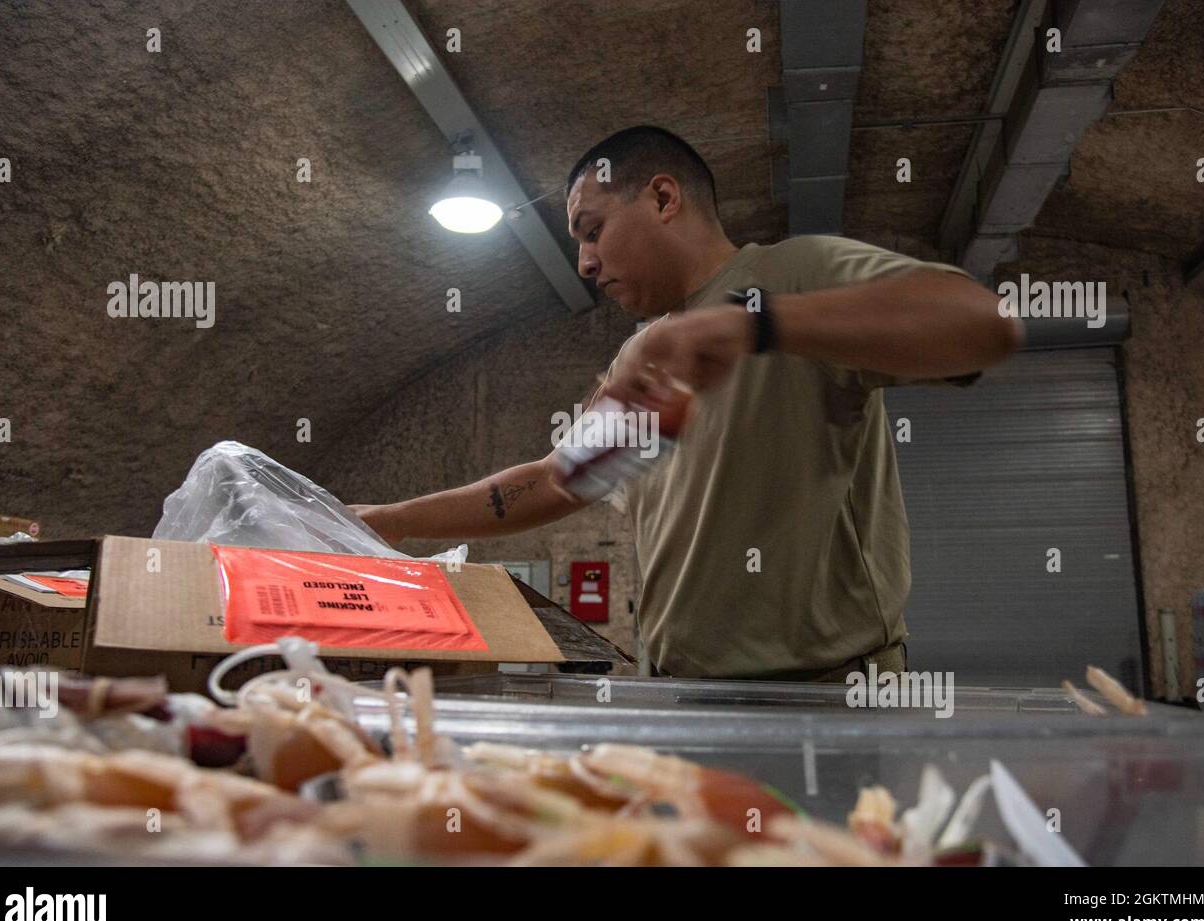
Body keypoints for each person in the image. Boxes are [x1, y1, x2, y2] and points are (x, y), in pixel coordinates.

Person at [356, 126, 1022, 681]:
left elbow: (983, 324)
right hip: (681, 693)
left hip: (823, 697)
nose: (585, 263)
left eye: (592, 229)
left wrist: (752, 324)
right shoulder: (642, 358)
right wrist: (393, 519)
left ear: (664, 197)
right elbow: (558, 483)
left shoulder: (793, 274)